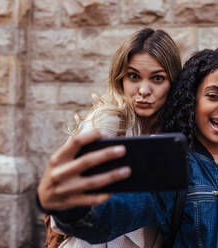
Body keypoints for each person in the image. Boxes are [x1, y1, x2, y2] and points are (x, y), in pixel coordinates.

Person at [38, 46, 218, 247]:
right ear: (192, 100)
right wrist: (67, 206)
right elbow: (110, 218)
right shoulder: (174, 164)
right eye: (214, 96)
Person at [37, 28, 181, 248]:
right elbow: (64, 204)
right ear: (120, 78)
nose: (143, 90)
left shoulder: (176, 131)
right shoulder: (105, 123)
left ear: (172, 81)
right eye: (134, 76)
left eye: (157, 78)